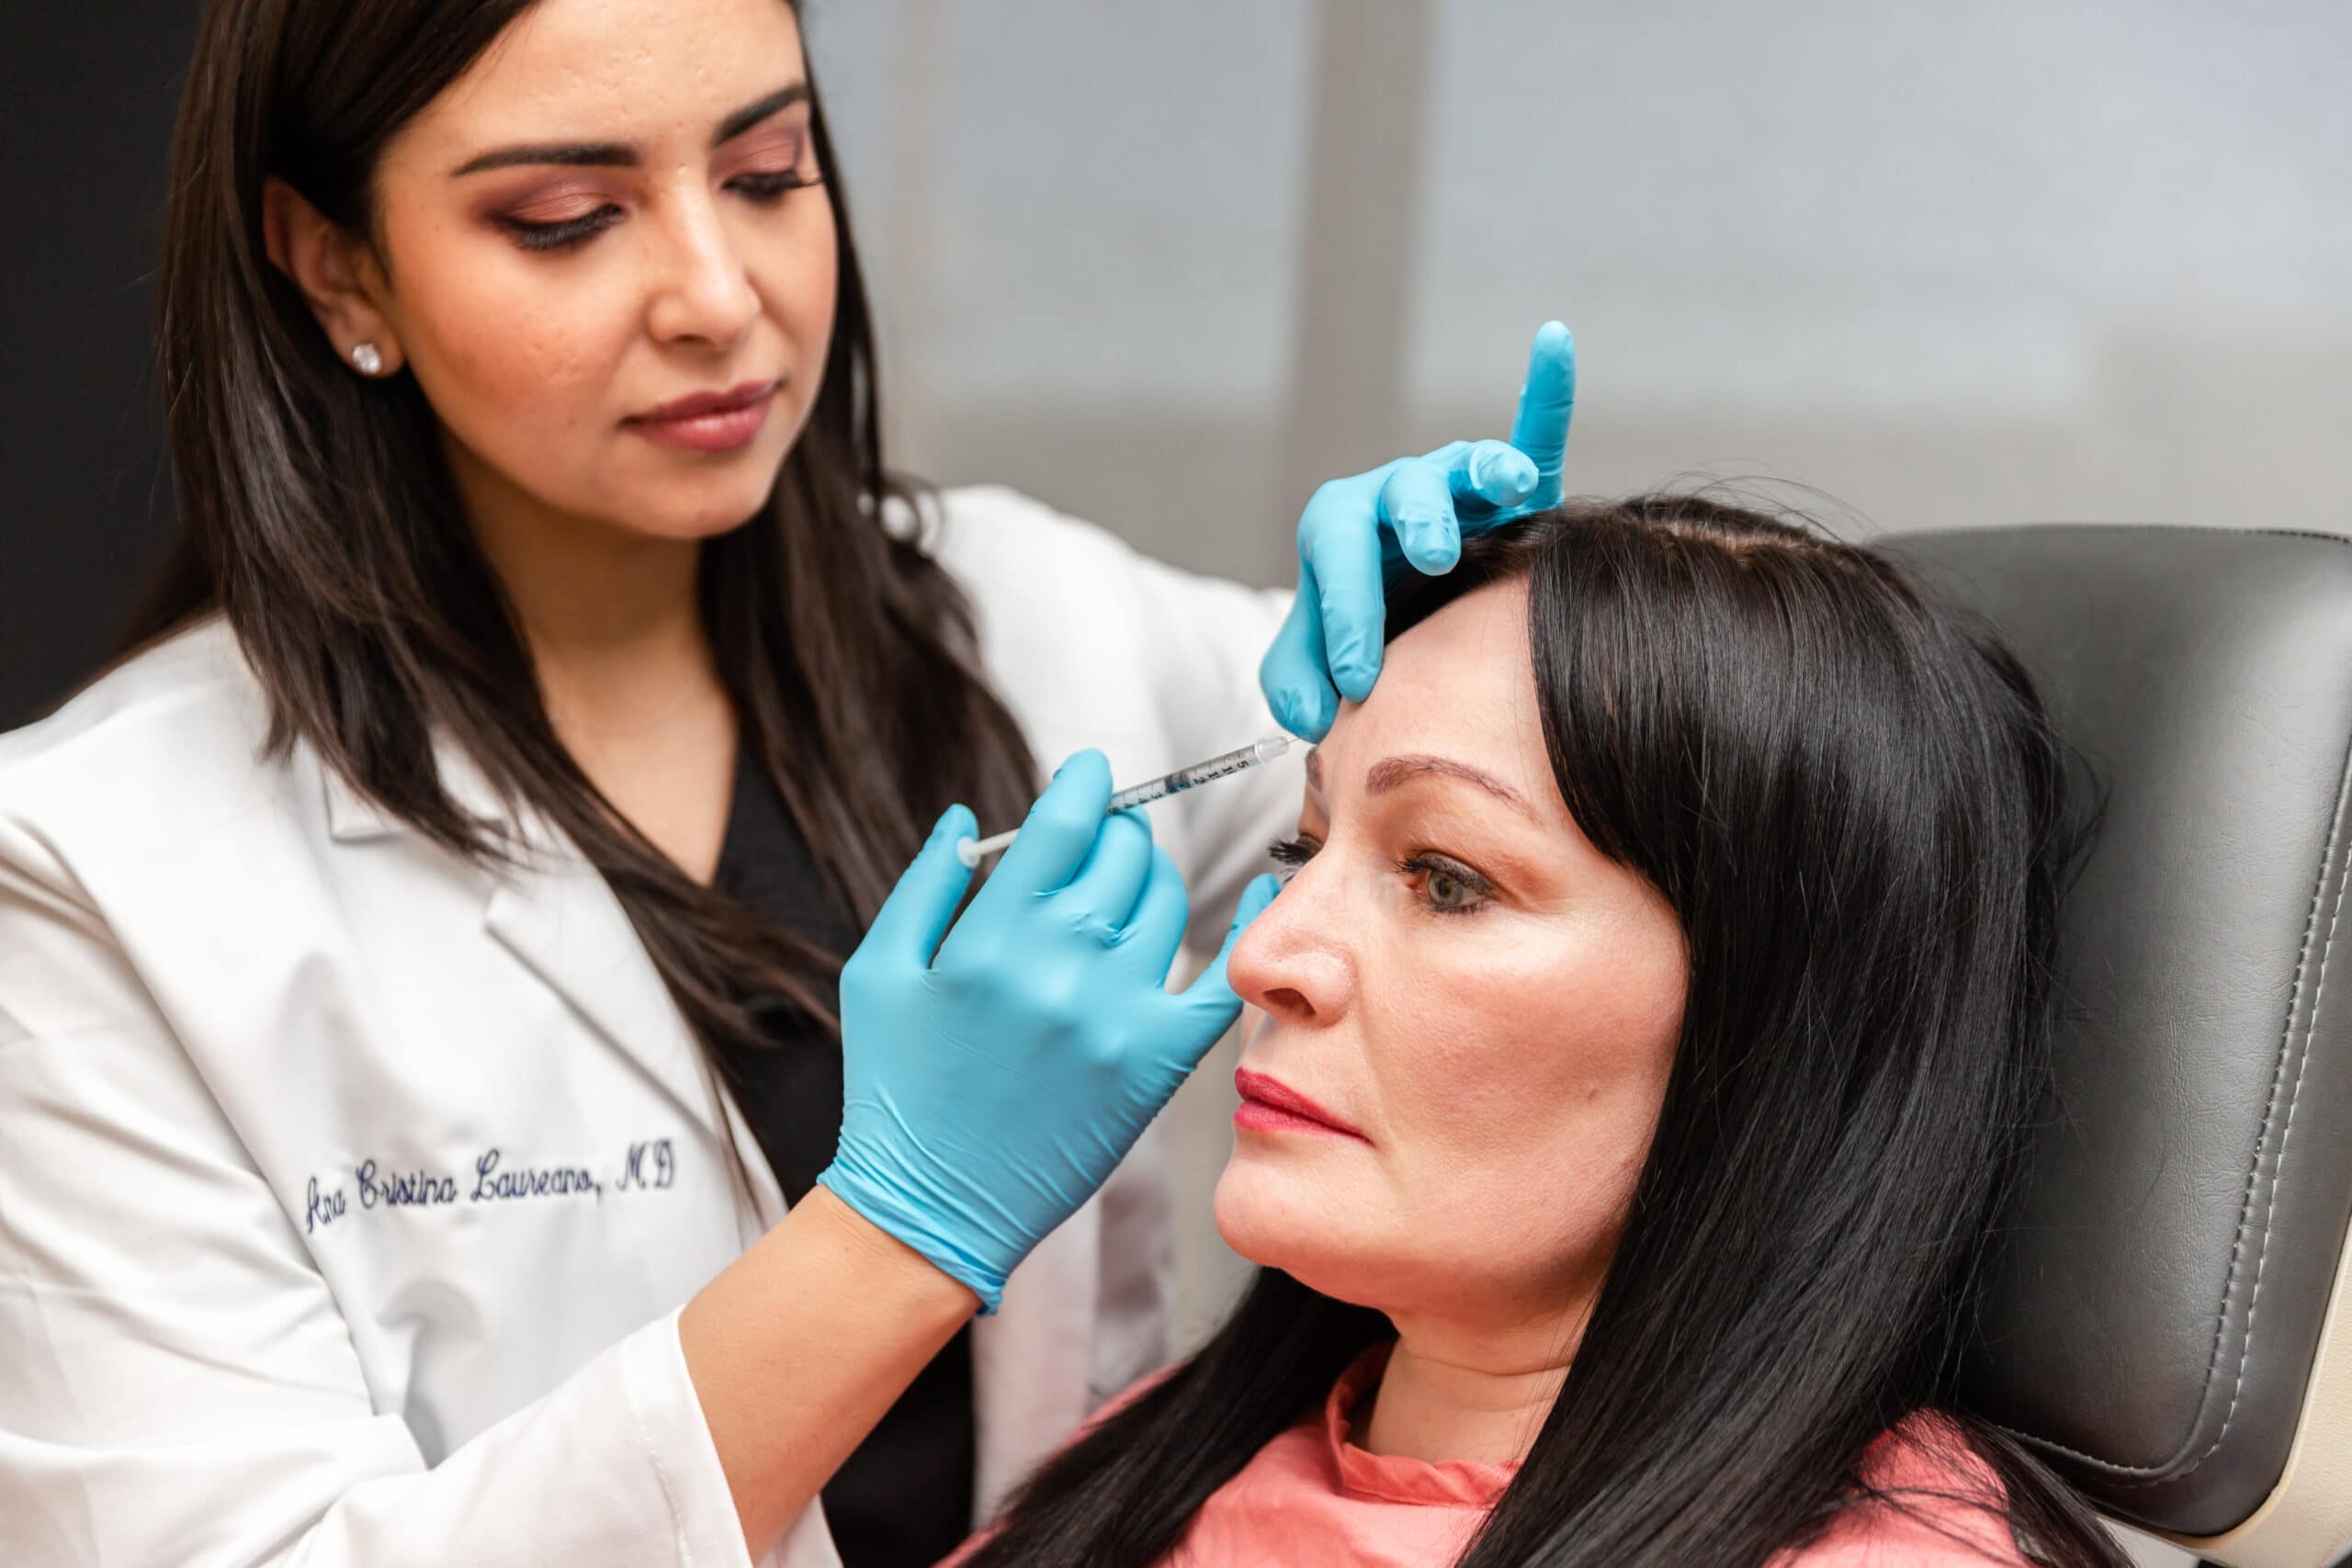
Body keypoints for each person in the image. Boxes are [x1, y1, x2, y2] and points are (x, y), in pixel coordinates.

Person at [0, 1, 1577, 1565]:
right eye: (567, 218)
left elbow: (1560, 868)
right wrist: (898, 1229)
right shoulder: (91, 876)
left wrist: (1484, 627)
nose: (716, 293)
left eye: (766, 173)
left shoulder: (1039, 620)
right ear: (337, 258)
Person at [952, 496, 2131, 1568]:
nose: (1262, 961)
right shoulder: (1155, 1468)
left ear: (1767, 1016)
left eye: (1447, 879)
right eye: (1299, 849)